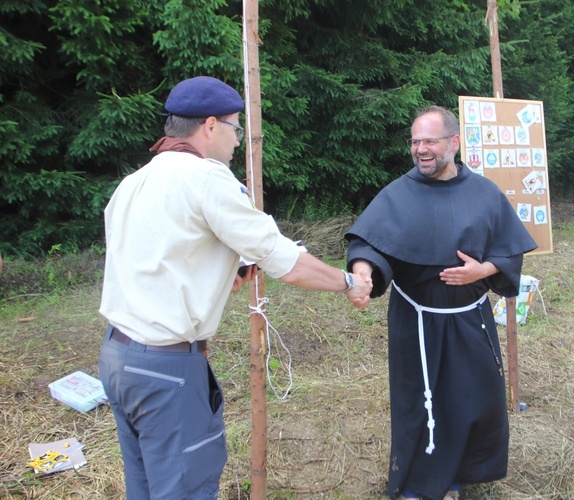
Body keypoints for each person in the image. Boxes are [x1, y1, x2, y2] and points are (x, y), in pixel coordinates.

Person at [98, 76, 372, 499]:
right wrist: (349, 281)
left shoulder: (134, 181)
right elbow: (285, 260)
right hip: (166, 370)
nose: (237, 141)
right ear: (210, 126)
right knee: (184, 488)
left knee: (146, 487)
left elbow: (158, 259)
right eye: (235, 128)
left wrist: (224, 270)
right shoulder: (207, 178)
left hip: (118, 359)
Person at [345, 106, 537, 499]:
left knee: (471, 397)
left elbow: (509, 250)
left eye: (429, 140)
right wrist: (363, 272)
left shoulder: (484, 192)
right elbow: (369, 241)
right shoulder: (398, 193)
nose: (421, 149)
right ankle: (417, 484)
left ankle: (457, 477)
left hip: (469, 318)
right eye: (415, 141)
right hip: (415, 321)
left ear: (454, 142)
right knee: (419, 401)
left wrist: (480, 272)